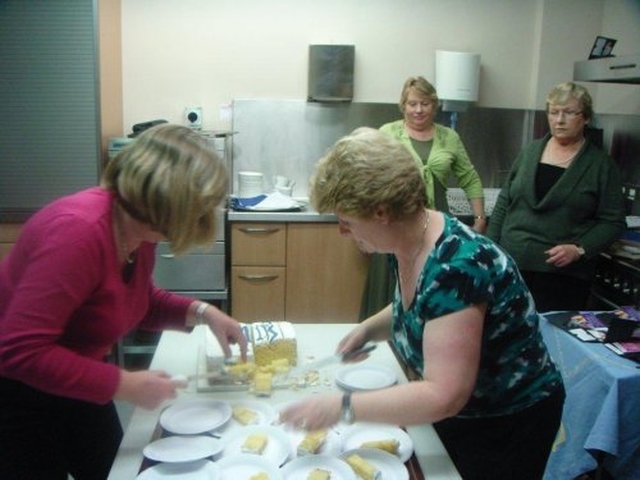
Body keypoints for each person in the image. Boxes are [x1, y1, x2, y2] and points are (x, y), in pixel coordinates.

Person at [279, 127, 565, 480]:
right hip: (459, 413)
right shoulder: (405, 240)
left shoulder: (458, 266)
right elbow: (422, 307)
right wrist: (370, 328)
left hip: (503, 420)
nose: (342, 231)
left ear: (381, 212)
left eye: (346, 221)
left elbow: (445, 395)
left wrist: (342, 407)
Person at [0, 124, 248, 480]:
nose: (199, 221)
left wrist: (204, 313)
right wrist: (125, 385)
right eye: (196, 210)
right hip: (17, 395)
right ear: (164, 205)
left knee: (118, 470)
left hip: (77, 376)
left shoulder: (136, 230)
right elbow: (21, 351)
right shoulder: (77, 233)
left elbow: (138, 300)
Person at [487, 82, 625, 312]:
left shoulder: (601, 165)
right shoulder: (530, 152)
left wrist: (580, 249)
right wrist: (491, 248)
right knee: (505, 338)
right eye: (554, 112)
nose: (559, 120)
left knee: (553, 344)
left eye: (569, 112)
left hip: (562, 277)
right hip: (511, 265)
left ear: (586, 118)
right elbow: (504, 203)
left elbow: (612, 222)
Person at [361, 76, 486, 318]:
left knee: (432, 286)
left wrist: (480, 218)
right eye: (412, 103)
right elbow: (367, 178)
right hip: (392, 225)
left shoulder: (449, 137)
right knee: (393, 291)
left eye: (425, 103)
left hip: (436, 229)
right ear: (403, 105)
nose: (418, 110)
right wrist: (366, 227)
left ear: (434, 105)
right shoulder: (388, 132)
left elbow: (469, 178)